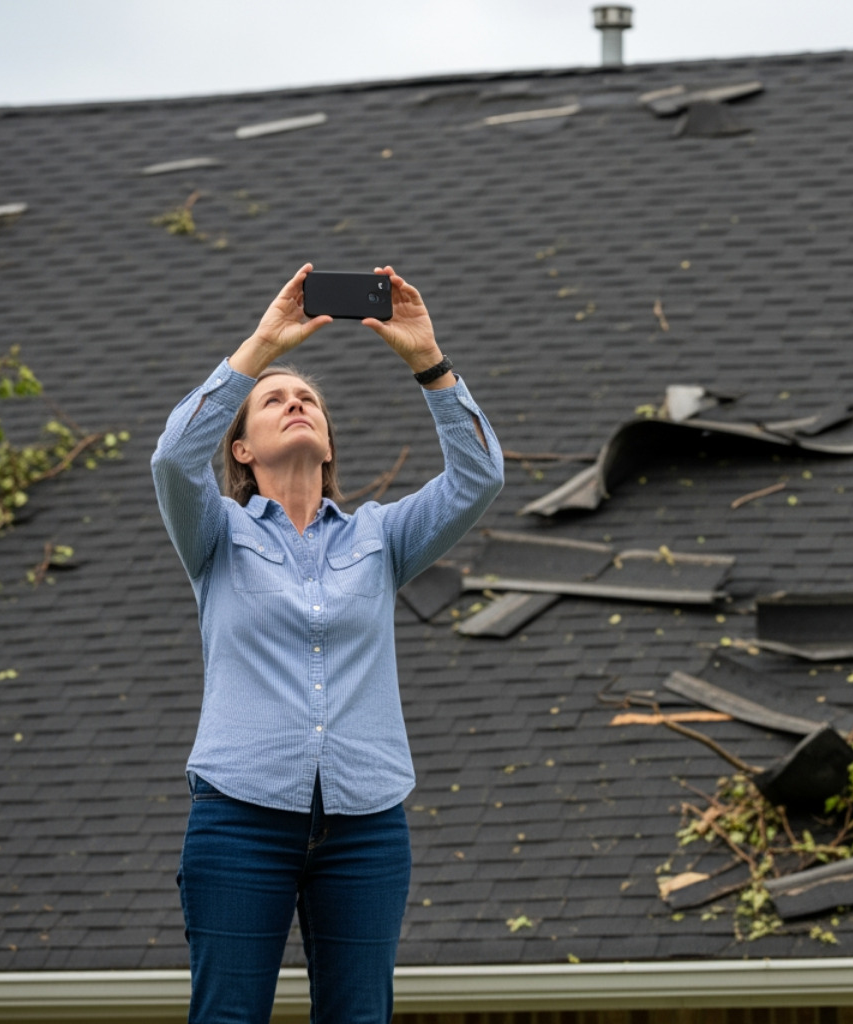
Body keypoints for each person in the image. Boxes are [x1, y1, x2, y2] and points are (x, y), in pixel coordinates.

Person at [151, 263, 504, 1023]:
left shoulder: (381, 537)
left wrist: (427, 360)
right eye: (274, 400)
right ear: (241, 450)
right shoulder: (217, 534)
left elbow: (478, 479)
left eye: (307, 397)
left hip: (367, 825)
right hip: (240, 817)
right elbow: (173, 459)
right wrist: (262, 345)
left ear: (329, 440)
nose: (296, 401)